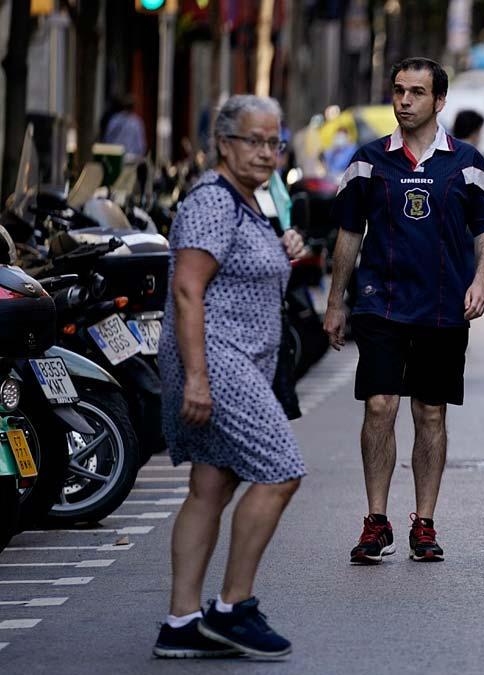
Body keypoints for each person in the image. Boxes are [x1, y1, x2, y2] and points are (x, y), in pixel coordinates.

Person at [324, 57, 484, 565]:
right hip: (380, 304)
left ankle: (423, 523)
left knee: (430, 412)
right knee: (380, 406)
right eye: (399, 91)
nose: (405, 101)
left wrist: (481, 279)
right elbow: (348, 233)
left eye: (417, 93)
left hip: (444, 307)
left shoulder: (467, 162)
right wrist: (336, 300)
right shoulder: (367, 160)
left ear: (439, 101)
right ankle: (375, 519)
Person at [154, 95, 306, 659]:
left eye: (274, 142)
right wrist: (197, 378)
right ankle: (232, 608)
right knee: (281, 472)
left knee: (210, 487)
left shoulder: (247, 200)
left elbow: (243, 270)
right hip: (217, 360)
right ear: (224, 144)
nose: (267, 153)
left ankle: (180, 622)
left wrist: (281, 246)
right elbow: (188, 288)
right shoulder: (213, 202)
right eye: (255, 141)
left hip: (237, 360)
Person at [103, 94, 148, 159]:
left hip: (119, 156)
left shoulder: (116, 120)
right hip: (128, 157)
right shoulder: (136, 122)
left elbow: (107, 138)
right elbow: (141, 145)